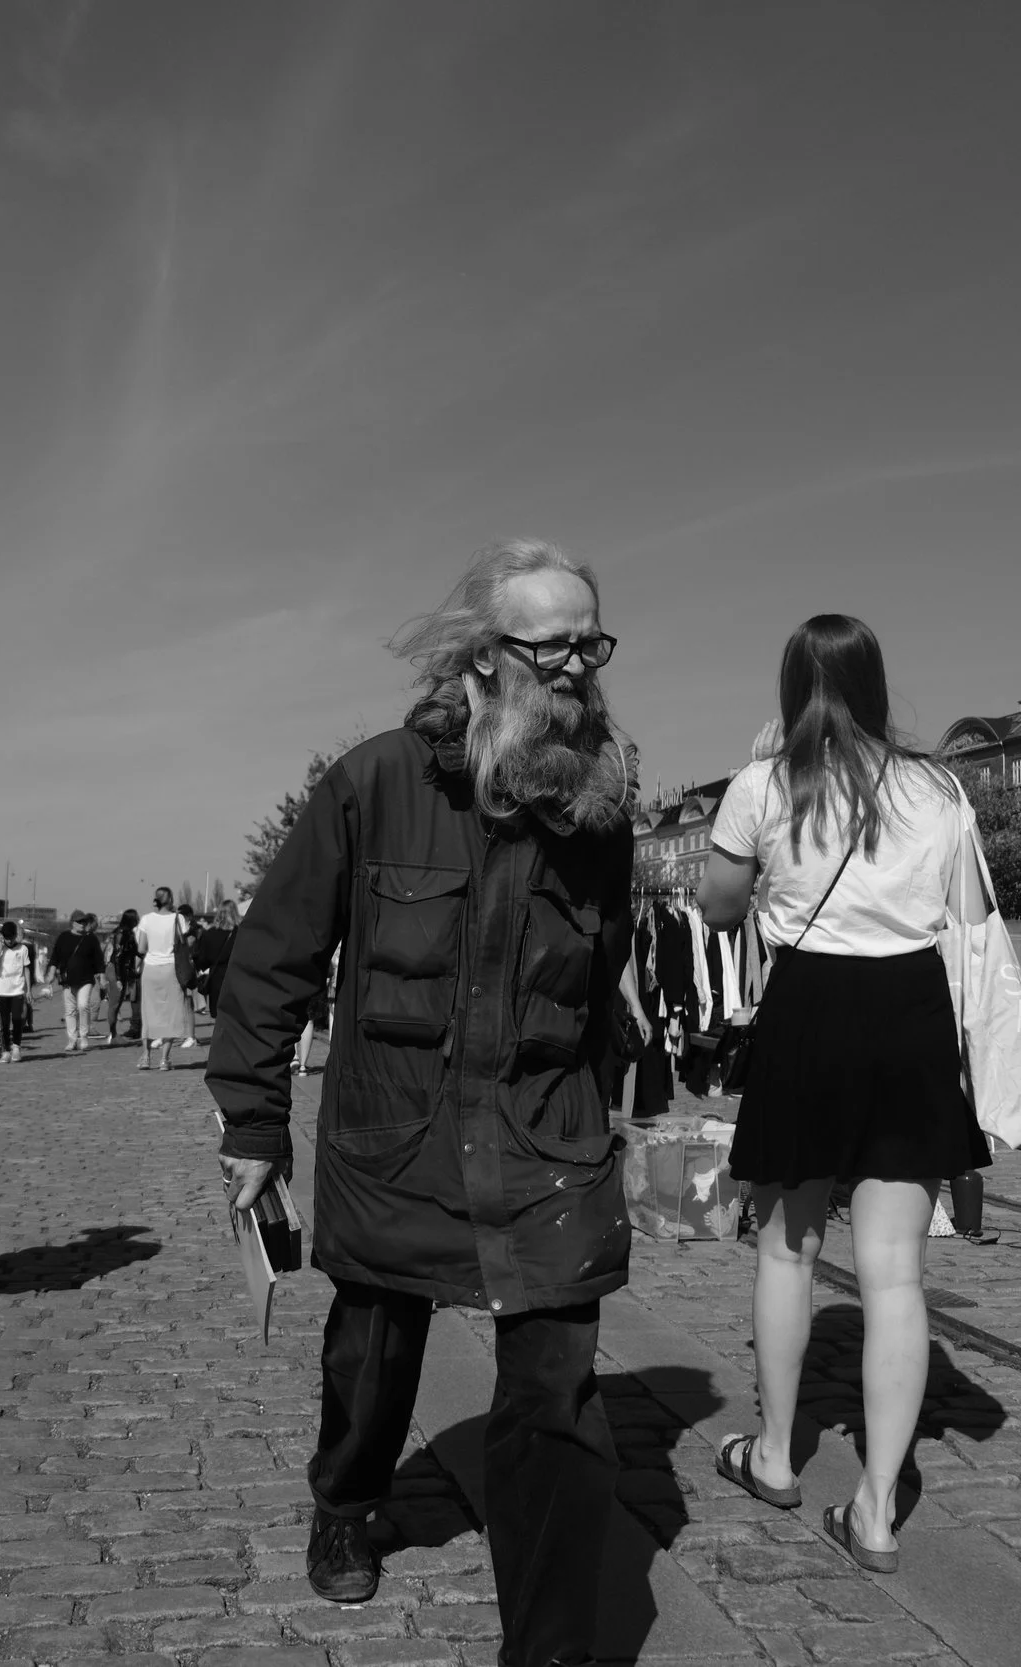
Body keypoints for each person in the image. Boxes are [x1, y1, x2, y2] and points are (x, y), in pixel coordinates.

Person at [212, 539, 643, 1664]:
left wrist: (628, 1109)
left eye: (590, 645)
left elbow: (605, 979)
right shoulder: (374, 781)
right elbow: (271, 961)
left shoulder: (600, 807)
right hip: (392, 1132)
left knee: (554, 1395)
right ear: (484, 657)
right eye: (553, 648)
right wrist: (254, 1122)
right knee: (371, 1354)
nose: (577, 671)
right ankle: (347, 1497)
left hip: (544, 1144)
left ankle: (545, 1645)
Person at [696, 614, 992, 1574]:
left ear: (793, 687)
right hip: (907, 1009)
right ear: (873, 683)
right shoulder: (939, 787)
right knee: (895, 1272)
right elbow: (969, 915)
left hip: (807, 1010)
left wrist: (765, 798)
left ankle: (777, 1454)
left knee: (787, 1250)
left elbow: (717, 905)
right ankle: (874, 1510)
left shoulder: (764, 782)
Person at [134, 888, 192, 1069]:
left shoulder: (146, 919)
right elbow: (185, 943)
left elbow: (142, 948)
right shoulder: (178, 919)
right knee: (171, 1014)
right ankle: (164, 1059)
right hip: (171, 968)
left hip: (150, 969)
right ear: (171, 899)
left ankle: (145, 1056)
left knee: (149, 1013)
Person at [50, 912, 105, 1050]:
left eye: (84, 922)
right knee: (70, 1011)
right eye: (79, 921)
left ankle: (84, 1036)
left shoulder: (91, 938)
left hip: (86, 979)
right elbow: (55, 957)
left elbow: (99, 960)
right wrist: (51, 972)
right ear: (72, 922)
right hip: (68, 980)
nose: (82, 924)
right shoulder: (64, 937)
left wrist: (102, 977)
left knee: (82, 1005)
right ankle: (72, 1039)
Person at [0, 920, 34, 1063]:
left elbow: (26, 969)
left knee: (17, 1019)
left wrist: (28, 989)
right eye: (6, 938)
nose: (9, 940)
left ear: (16, 936)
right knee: (5, 1022)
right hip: (3, 990)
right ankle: (5, 1050)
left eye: (11, 937)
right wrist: (1, 948)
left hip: (18, 989)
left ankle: (16, 1047)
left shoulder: (23, 949)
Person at [106, 908, 143, 1043]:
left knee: (118, 1002)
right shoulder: (122, 933)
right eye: (136, 918)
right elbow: (117, 956)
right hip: (116, 971)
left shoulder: (127, 933)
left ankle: (113, 1033)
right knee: (114, 1004)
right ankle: (113, 1034)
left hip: (122, 970)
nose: (138, 920)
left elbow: (136, 952)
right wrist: (119, 979)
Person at [192, 902, 235, 1018]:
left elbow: (202, 959)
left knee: (219, 1014)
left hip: (216, 977)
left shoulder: (209, 934)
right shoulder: (241, 933)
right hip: (236, 977)